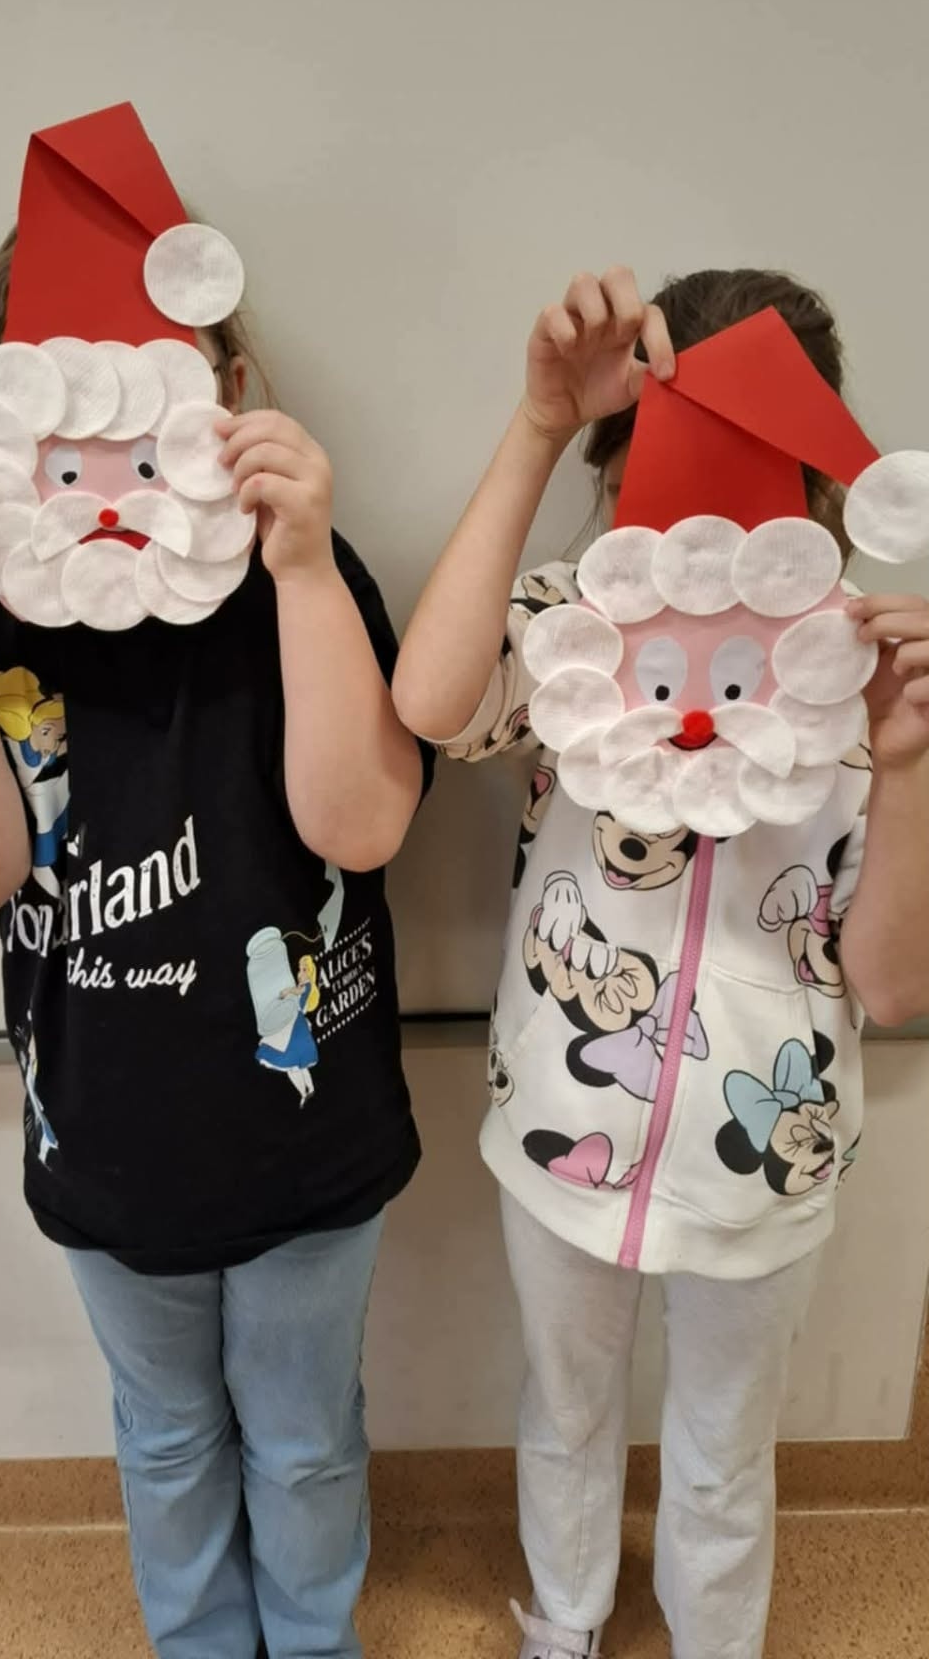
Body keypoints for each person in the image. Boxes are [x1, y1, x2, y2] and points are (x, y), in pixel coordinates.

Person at [0, 108, 430, 1659]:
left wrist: (303, 567)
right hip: (105, 1150)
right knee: (167, 1440)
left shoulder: (304, 584)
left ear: (225, 396)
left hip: (309, 1142)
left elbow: (361, 825)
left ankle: (311, 1640)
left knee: (304, 1440)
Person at [393, 265, 929, 1659]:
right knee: (565, 1411)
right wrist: (538, 426)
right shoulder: (575, 639)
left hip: (766, 1164)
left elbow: (893, 987)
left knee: (722, 1455)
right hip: (564, 1128)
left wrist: (909, 764)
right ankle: (563, 1622)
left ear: (819, 480)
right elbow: (433, 703)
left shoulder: (866, 681)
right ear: (623, 458)